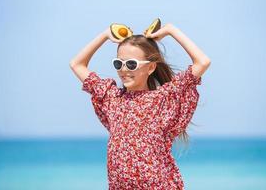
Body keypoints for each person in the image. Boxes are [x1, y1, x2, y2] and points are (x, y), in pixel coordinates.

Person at [69, 22, 211, 189]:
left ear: (150, 67)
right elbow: (76, 64)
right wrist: (105, 35)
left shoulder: (163, 99)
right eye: (118, 64)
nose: (123, 70)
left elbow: (202, 62)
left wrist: (171, 30)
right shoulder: (111, 98)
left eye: (131, 64)